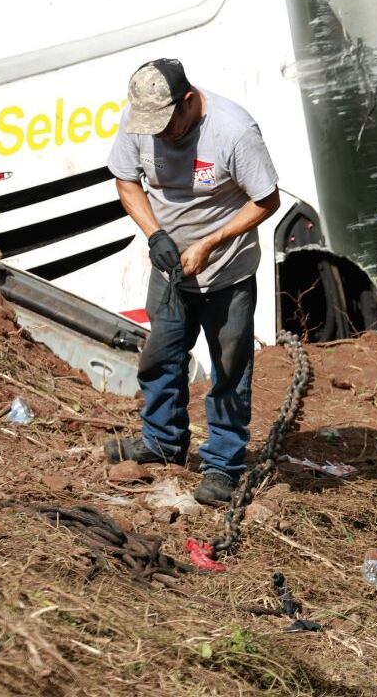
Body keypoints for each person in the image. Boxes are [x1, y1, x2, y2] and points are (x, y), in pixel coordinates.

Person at [103, 58, 280, 507]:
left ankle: (223, 463)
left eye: (169, 124)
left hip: (227, 272)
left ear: (188, 101)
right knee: (160, 356)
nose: (161, 135)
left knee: (228, 368)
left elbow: (267, 199)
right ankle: (162, 441)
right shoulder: (141, 119)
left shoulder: (234, 131)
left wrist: (211, 242)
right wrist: (156, 234)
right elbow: (126, 181)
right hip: (171, 272)